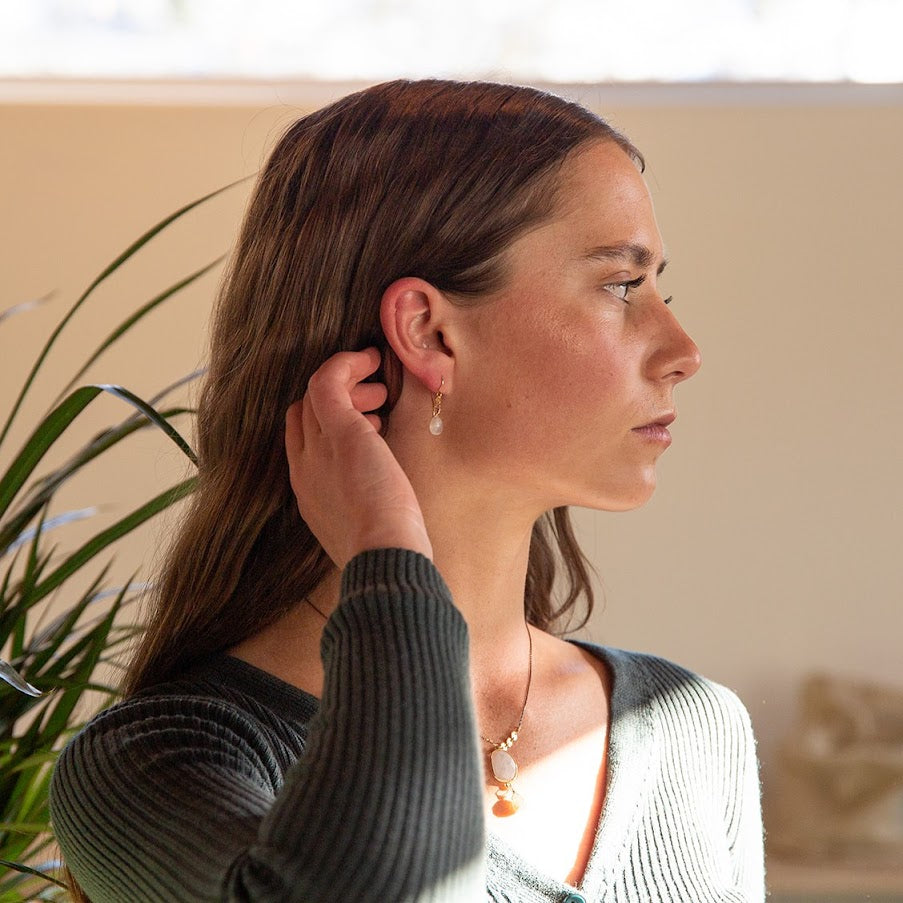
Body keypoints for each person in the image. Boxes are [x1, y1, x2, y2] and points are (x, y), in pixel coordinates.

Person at [50, 78, 765, 902]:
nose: (682, 348)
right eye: (618, 285)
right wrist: (387, 558)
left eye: (656, 287)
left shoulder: (690, 727)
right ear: (429, 331)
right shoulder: (155, 763)